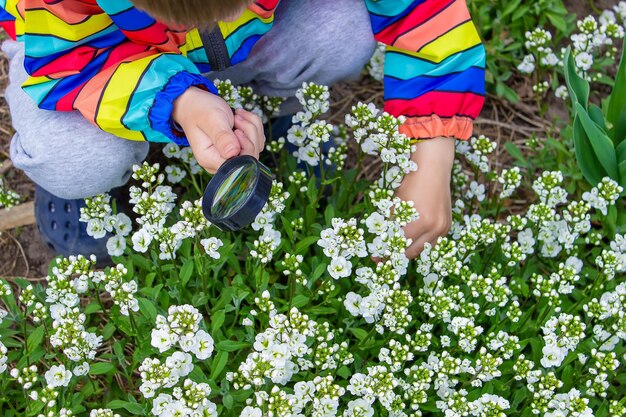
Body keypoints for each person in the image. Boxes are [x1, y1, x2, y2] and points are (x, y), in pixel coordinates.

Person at [0, 0, 485, 261]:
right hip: (88, 53)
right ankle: (77, 184)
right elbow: (72, 63)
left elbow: (424, 9)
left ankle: (285, 105)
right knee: (73, 157)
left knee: (342, 29)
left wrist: (433, 149)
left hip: (246, 37)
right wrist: (179, 101)